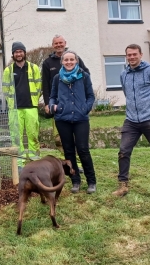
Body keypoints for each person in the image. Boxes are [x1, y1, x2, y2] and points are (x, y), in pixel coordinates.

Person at [112, 44, 150, 198]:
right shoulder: (124, 74)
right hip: (131, 120)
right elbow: (127, 94)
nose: (132, 57)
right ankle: (123, 186)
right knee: (123, 152)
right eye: (129, 55)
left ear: (141, 54)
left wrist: (147, 105)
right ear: (126, 56)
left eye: (134, 54)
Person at [48, 50, 97, 194]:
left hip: (81, 119)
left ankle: (91, 181)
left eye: (72, 59)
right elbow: (52, 96)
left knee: (83, 149)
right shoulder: (57, 78)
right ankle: (75, 181)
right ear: (62, 62)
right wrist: (53, 107)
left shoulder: (84, 76)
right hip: (63, 119)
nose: (69, 62)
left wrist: (85, 109)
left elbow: (90, 96)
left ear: (76, 61)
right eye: (66, 60)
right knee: (68, 151)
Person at [42, 35, 90, 154]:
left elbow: (86, 77)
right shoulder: (48, 63)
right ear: (53, 45)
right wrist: (48, 103)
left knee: (79, 140)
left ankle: (78, 163)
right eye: (56, 43)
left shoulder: (75, 58)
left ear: (65, 43)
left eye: (61, 43)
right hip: (59, 106)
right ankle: (69, 163)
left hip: (76, 106)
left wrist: (84, 102)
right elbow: (45, 85)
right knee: (60, 139)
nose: (59, 45)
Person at [2, 41, 41, 170]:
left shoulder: (33, 68)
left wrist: (34, 99)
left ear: (24, 53)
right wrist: (11, 103)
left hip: (31, 107)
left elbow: (38, 85)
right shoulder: (8, 70)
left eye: (20, 51)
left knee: (33, 135)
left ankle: (35, 162)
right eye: (16, 52)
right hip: (15, 109)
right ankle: (19, 165)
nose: (18, 54)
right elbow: (5, 89)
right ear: (13, 54)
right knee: (16, 137)